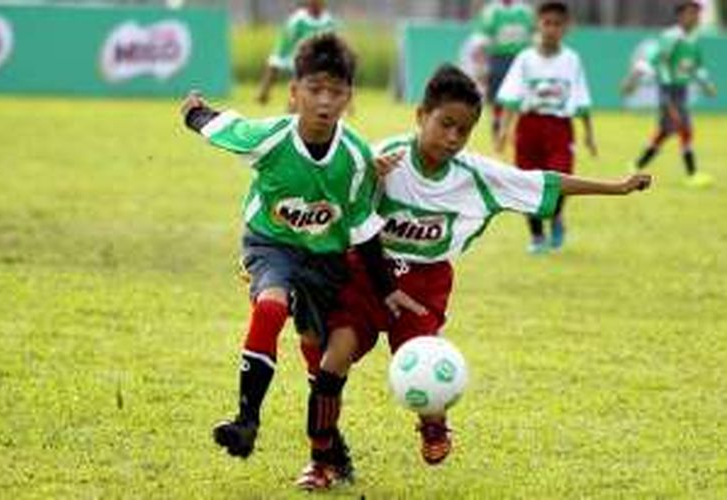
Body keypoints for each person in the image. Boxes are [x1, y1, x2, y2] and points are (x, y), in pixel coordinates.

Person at [295, 63, 652, 491]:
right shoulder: (382, 159)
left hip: (425, 284)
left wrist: (617, 186)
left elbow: (542, 182)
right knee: (333, 360)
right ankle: (322, 461)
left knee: (421, 364)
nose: (452, 138)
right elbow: (320, 192)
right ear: (420, 116)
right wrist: (365, 175)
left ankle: (433, 423)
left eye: (462, 131)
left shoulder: (475, 175)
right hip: (368, 275)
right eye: (445, 124)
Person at [180, 33, 424, 462]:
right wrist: (194, 113)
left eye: (336, 91)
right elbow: (222, 128)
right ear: (294, 94)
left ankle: (329, 444)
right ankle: (246, 420)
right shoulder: (271, 138)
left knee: (318, 352)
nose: (325, 101)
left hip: (325, 259)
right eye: (314, 90)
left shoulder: (355, 156)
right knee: (271, 306)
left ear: (349, 96)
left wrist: (386, 288)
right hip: (270, 244)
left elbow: (364, 227)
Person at [495, 1, 596, 254]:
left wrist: (589, 134)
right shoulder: (525, 59)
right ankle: (537, 236)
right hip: (529, 125)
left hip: (559, 126)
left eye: (557, 24)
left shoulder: (572, 60)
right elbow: (512, 96)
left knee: (560, 179)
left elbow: (581, 97)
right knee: (527, 183)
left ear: (566, 28)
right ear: (538, 26)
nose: (551, 29)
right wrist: (503, 130)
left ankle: (557, 216)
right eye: (547, 23)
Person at [629, 0, 717, 188]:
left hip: (681, 92)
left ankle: (637, 164)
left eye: (697, 13)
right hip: (669, 91)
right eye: (690, 12)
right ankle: (692, 175)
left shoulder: (692, 40)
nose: (695, 16)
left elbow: (696, 67)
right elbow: (658, 61)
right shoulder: (671, 37)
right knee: (684, 129)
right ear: (680, 15)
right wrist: (638, 78)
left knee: (665, 132)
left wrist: (706, 84)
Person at [472, 0, 535, 143]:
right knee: (497, 97)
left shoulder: (526, 11)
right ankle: (497, 126)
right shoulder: (491, 11)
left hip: (521, 60)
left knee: (522, 96)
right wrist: (482, 66)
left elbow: (535, 37)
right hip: (499, 58)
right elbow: (481, 40)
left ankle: (518, 130)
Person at [256, 0, 336, 105]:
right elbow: (285, 42)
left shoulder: (329, 21)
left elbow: (333, 43)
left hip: (318, 61)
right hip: (296, 57)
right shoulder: (298, 20)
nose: (316, 4)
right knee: (274, 66)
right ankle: (264, 92)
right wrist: (281, 55)